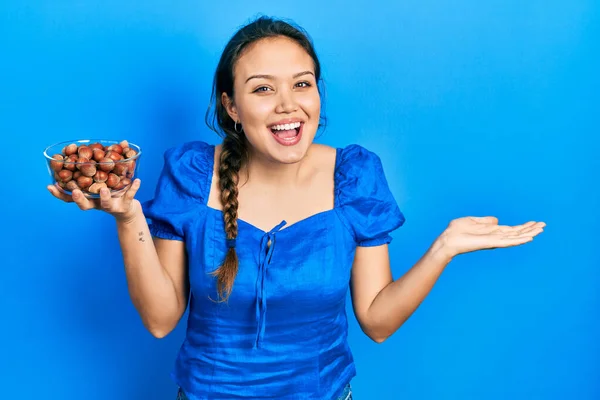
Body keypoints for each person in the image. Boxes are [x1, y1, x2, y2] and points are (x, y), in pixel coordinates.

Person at [47, 16, 545, 400]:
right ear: (231, 107)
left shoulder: (354, 178)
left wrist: (443, 248)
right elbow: (160, 319)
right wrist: (128, 217)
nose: (288, 104)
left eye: (302, 84)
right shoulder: (191, 175)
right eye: (263, 88)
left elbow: (376, 320)